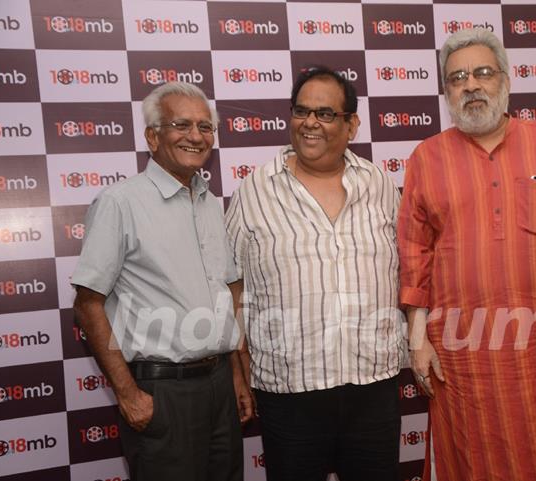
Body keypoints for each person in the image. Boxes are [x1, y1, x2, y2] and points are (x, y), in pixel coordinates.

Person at [397, 28, 536, 481]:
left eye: (482, 73)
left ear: (505, 80)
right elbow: (414, 256)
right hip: (463, 354)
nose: (470, 85)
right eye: (457, 78)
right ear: (446, 92)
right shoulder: (425, 158)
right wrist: (418, 338)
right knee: (474, 458)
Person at [225, 66, 404, 481]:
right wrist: (239, 368)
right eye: (301, 111)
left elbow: (406, 270)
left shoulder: (380, 184)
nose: (309, 123)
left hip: (373, 387)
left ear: (351, 124)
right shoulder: (255, 190)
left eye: (325, 114)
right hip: (289, 394)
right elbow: (229, 286)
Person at [71, 82, 252, 481]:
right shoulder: (120, 202)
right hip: (162, 392)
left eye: (206, 127)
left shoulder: (208, 202)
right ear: (152, 136)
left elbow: (228, 292)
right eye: (181, 124)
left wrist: (237, 376)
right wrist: (127, 393)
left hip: (220, 385)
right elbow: (87, 304)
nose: (195, 136)